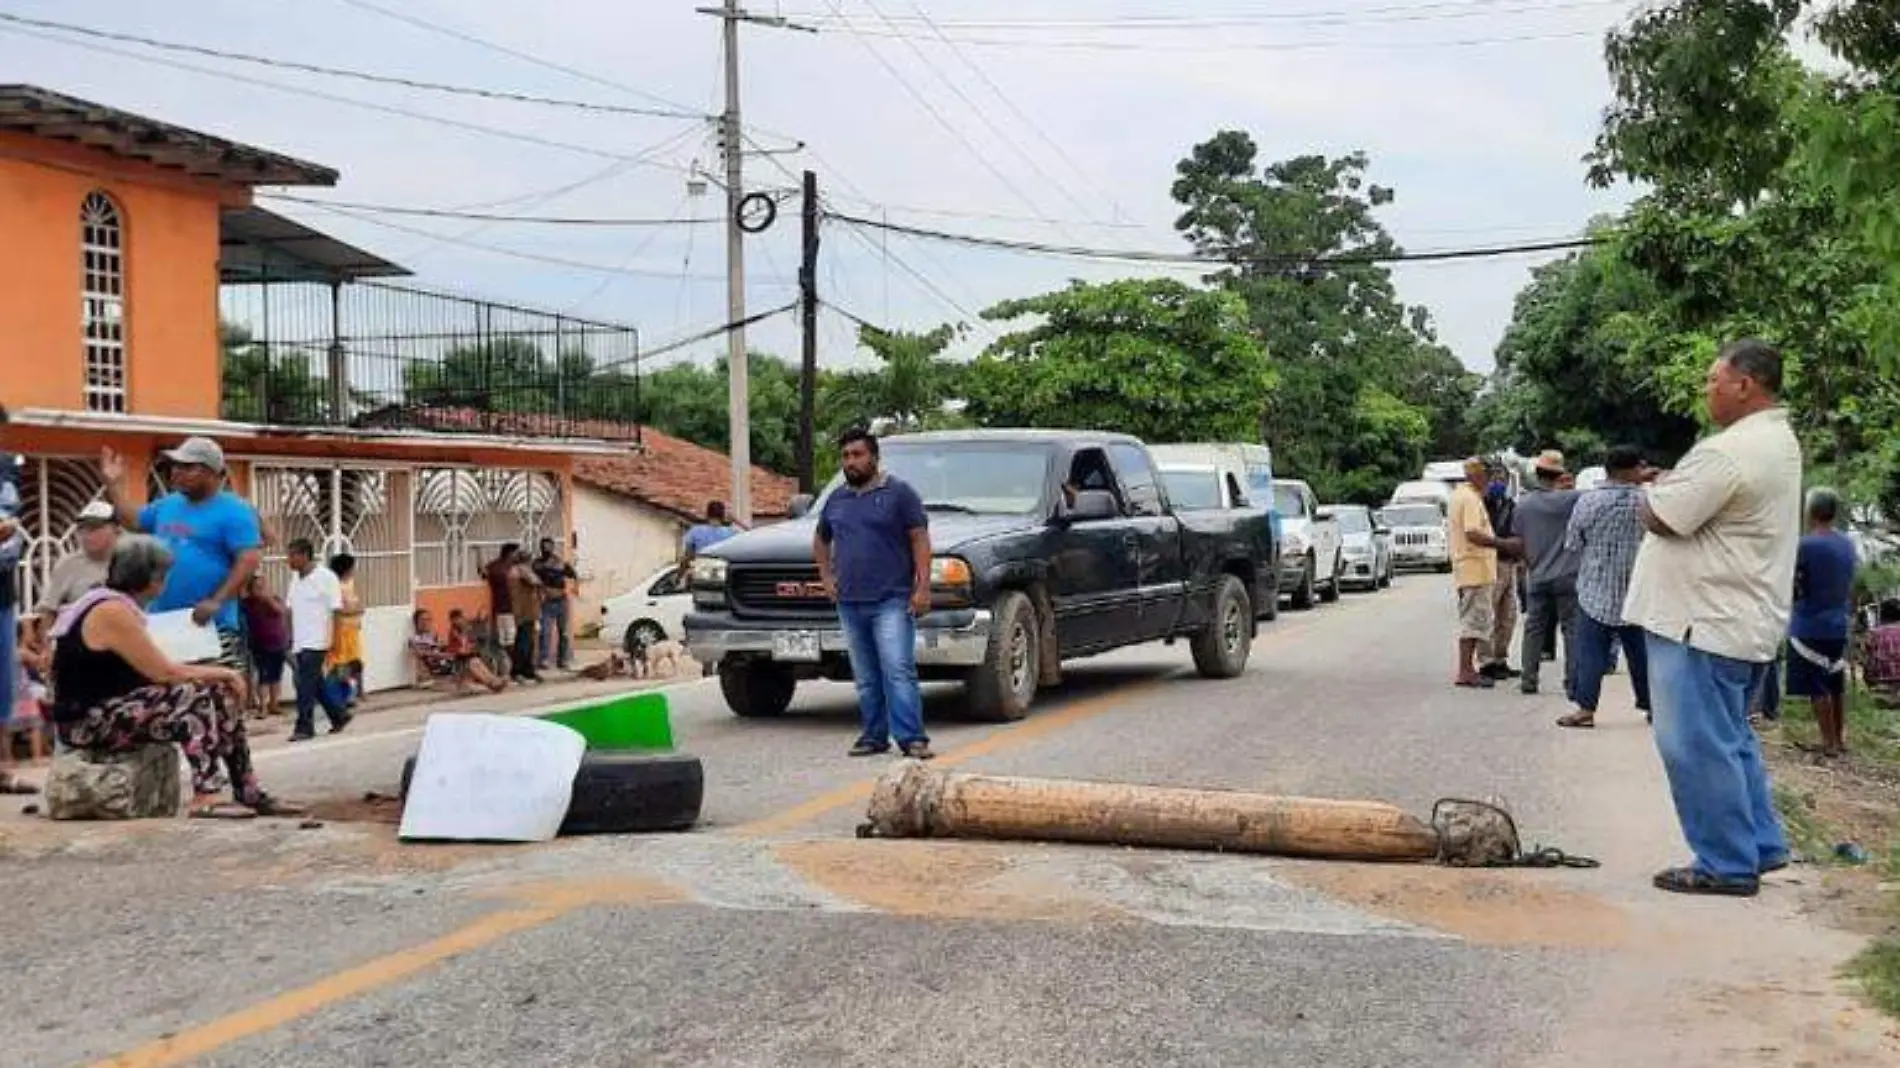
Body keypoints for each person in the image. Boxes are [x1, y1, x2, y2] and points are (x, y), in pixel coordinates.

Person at [1626, 339, 1800, 897]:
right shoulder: (1776, 441)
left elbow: (1661, 516)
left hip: (1699, 621)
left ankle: (1725, 862)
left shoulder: (1728, 452)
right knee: (1730, 740)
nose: (1707, 390)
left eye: (1713, 379)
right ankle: (1761, 843)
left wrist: (1651, 489)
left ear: (1744, 384)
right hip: (1737, 618)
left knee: (1695, 745)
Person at [48, 535, 300, 818]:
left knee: (218, 693)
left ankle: (248, 788)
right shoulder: (111, 611)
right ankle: (206, 793)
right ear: (150, 578)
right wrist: (225, 672)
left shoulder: (121, 606)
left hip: (114, 706)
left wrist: (217, 678)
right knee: (192, 694)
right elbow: (164, 672)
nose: (166, 581)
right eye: (164, 574)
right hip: (87, 720)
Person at [814, 427, 934, 759]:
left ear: (874, 458)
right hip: (850, 602)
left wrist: (922, 586)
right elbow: (821, 540)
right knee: (865, 675)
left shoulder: (899, 494)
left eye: (857, 455)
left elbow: (919, 539)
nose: (850, 462)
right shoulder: (836, 499)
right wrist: (826, 577)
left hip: (891, 599)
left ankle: (912, 738)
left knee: (897, 669)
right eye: (845, 456)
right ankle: (873, 735)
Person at [101, 439, 261, 671]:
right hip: (164, 622)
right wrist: (113, 485)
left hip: (209, 624)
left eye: (187, 467)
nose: (176, 472)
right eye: (175, 466)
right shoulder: (168, 505)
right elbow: (133, 521)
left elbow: (249, 559)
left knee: (215, 695)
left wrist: (216, 600)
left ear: (211, 472)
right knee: (167, 693)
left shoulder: (235, 510)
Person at [1558, 445, 1654, 729]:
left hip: (1594, 590)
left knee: (1590, 653)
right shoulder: (1647, 501)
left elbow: (1573, 543)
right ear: (1630, 470)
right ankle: (1653, 707)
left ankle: (1586, 709)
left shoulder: (1588, 502)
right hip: (1636, 590)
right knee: (1642, 655)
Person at [1787, 488, 1857, 758]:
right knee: (1835, 683)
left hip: (1809, 624)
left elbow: (1796, 583)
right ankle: (1839, 740)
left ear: (1811, 511)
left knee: (1817, 686)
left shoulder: (1805, 545)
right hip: (1838, 624)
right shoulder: (1847, 544)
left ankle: (1828, 743)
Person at [1514, 450, 1582, 698]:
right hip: (1568, 575)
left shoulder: (1524, 504)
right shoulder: (1572, 500)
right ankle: (1572, 681)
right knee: (1571, 629)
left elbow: (1519, 540)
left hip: (1537, 574)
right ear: (1560, 474)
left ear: (1537, 473)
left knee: (1534, 628)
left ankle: (1528, 679)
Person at [284, 538, 353, 742]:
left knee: (304, 683)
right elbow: (289, 609)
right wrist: (289, 635)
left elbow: (337, 611)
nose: (289, 560)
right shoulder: (296, 579)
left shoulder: (326, 577)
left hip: (318, 639)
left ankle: (304, 726)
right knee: (315, 682)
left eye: (292, 555)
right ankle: (339, 715)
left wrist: (336, 640)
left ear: (304, 555)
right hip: (300, 639)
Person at [1450, 457, 1508, 689]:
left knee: (1477, 621)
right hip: (1473, 569)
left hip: (1475, 569)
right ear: (1477, 475)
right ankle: (1465, 670)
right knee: (1473, 622)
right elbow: (1473, 533)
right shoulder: (1469, 498)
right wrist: (1502, 544)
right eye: (1486, 474)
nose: (1490, 480)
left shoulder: (1466, 496)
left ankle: (1468, 668)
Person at [31, 500, 119, 647]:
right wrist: (47, 650)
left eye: (94, 528)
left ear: (116, 529)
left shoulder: (130, 561)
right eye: (82, 529)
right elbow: (48, 612)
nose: (86, 535)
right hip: (79, 647)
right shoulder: (68, 565)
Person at [1479, 465, 1523, 682]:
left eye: (1502, 478)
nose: (1499, 482)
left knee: (1508, 615)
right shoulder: (1480, 504)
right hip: (1489, 563)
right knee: (1489, 612)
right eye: (1495, 477)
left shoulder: (1509, 505)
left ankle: (1500, 658)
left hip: (1509, 563)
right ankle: (1486, 662)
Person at [409, 608, 507, 694]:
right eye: (423, 619)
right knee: (470, 660)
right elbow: (422, 653)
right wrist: (445, 654)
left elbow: (445, 647)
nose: (427, 622)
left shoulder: (434, 636)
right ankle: (492, 683)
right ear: (416, 622)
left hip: (450, 661)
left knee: (473, 659)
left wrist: (451, 650)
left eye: (429, 619)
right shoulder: (415, 639)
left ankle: (493, 681)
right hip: (441, 668)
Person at [239, 575, 289, 718]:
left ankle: (274, 704)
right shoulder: (248, 603)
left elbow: (280, 611)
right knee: (263, 676)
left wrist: (268, 598)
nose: (260, 590)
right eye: (257, 587)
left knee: (276, 675)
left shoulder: (274, 600)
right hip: (260, 644)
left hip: (278, 643)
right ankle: (263, 707)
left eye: (263, 586)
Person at [325, 552, 366, 707]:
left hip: (353, 628)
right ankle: (344, 694)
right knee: (342, 663)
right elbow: (338, 609)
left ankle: (354, 692)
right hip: (342, 629)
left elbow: (355, 603)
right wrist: (354, 611)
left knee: (355, 662)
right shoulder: (335, 586)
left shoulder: (350, 584)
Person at [533, 537, 578, 671]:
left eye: (549, 546)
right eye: (543, 546)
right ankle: (544, 660)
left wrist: (573, 589)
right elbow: (533, 578)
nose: (546, 549)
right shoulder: (537, 564)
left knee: (563, 633)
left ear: (553, 547)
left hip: (561, 601)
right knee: (545, 632)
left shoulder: (560, 562)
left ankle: (562, 660)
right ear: (540, 548)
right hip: (546, 602)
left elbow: (573, 575)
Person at [507, 546, 545, 684]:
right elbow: (536, 581)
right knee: (523, 643)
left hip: (528, 611)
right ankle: (517, 671)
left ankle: (528, 670)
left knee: (529, 643)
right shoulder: (520, 570)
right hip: (523, 611)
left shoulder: (518, 570)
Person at [484, 542, 520, 669]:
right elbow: (483, 573)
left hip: (516, 609)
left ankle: (512, 666)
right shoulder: (498, 567)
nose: (517, 555)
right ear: (510, 553)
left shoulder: (516, 567)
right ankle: (510, 666)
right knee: (507, 640)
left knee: (513, 639)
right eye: (516, 553)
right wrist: (478, 555)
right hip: (504, 609)